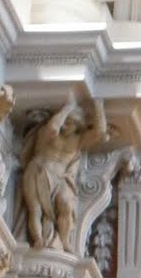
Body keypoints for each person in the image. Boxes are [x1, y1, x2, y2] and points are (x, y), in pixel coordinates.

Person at [21, 101, 111, 252]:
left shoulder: (77, 140)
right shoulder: (48, 132)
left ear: (78, 125)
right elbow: (53, 127)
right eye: (66, 121)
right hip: (39, 172)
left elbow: (100, 132)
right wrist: (66, 109)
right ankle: (38, 239)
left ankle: (64, 240)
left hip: (61, 178)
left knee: (67, 206)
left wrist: (98, 105)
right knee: (36, 209)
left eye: (71, 122)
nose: (66, 125)